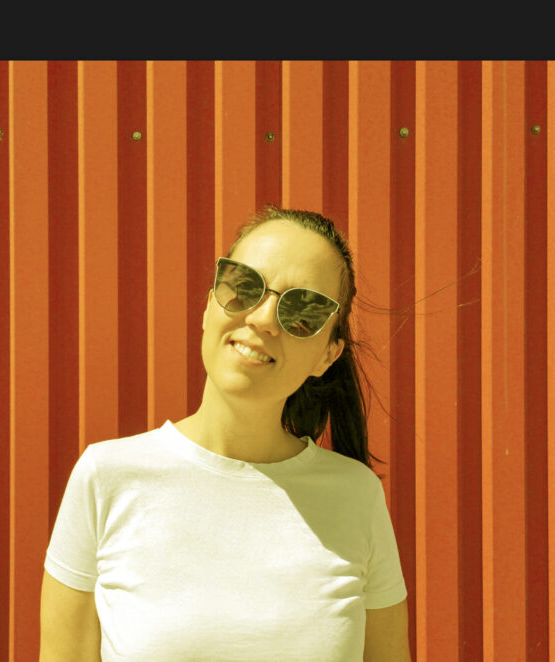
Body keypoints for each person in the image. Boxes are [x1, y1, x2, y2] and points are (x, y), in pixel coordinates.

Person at [40, 206, 410, 661]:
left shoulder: (356, 497)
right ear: (208, 303)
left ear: (327, 356)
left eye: (304, 310)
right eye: (245, 285)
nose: (264, 319)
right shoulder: (106, 478)